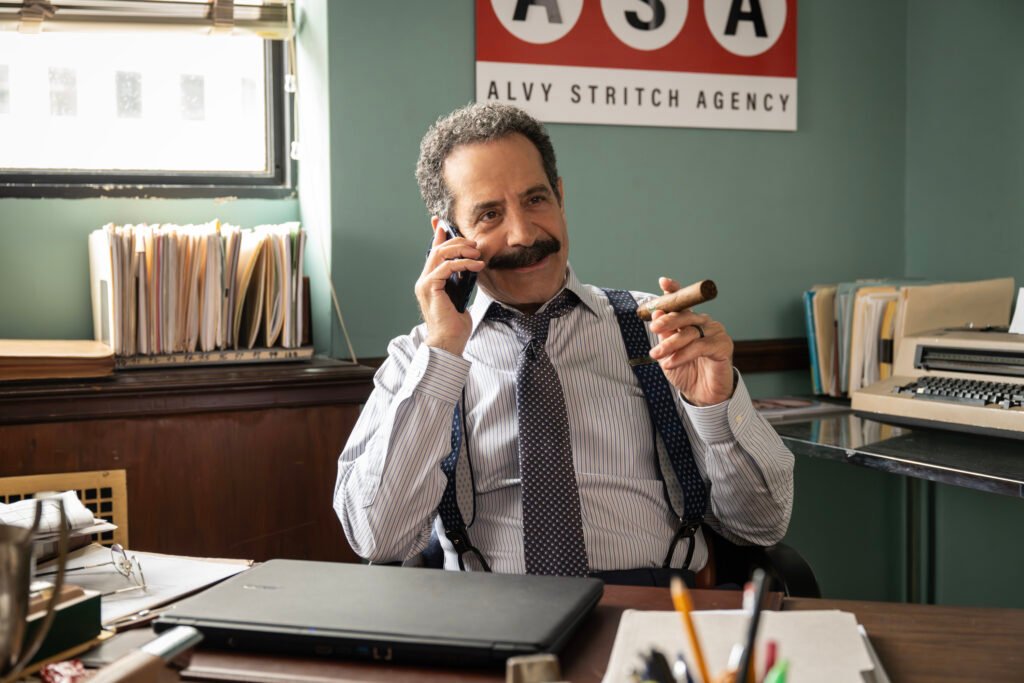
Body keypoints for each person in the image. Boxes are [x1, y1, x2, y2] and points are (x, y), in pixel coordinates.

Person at [334, 102, 794, 584]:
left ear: (560, 195)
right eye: (489, 214)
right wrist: (442, 357)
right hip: (486, 618)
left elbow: (761, 525)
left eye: (535, 200)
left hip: (653, 609)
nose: (524, 234)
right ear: (447, 235)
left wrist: (716, 408)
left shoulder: (661, 332)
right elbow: (377, 538)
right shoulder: (417, 359)